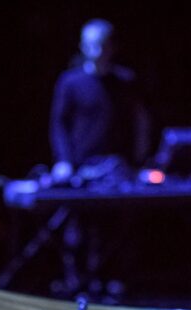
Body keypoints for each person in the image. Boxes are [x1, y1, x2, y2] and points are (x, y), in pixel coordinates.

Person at [49, 18, 149, 185]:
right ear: (82, 46)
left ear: (111, 46)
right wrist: (64, 160)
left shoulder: (125, 81)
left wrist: (140, 160)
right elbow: (59, 123)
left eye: (102, 45)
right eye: (91, 45)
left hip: (119, 166)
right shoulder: (70, 82)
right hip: (81, 167)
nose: (97, 51)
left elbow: (139, 122)